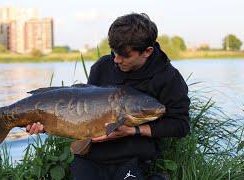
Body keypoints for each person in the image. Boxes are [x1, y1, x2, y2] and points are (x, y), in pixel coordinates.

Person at [26, 13, 190, 180]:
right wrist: (46, 124)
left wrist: (133, 131)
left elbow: (181, 125)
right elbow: (81, 116)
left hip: (132, 158)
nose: (116, 60)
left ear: (147, 52)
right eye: (114, 52)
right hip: (91, 156)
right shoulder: (102, 66)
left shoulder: (168, 77)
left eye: (125, 56)